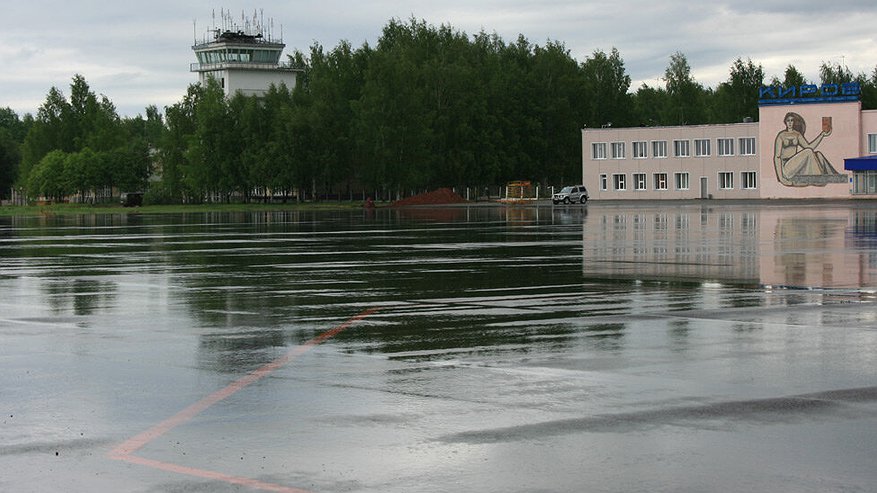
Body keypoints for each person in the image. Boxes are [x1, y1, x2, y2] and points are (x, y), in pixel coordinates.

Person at [773, 112, 839, 186]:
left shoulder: (797, 134)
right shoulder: (781, 135)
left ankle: (831, 175)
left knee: (818, 154)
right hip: (786, 167)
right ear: (785, 122)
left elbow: (809, 147)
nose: (790, 123)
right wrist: (781, 178)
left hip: (795, 166)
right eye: (788, 120)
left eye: (792, 120)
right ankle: (819, 178)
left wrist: (822, 135)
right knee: (808, 151)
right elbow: (777, 157)